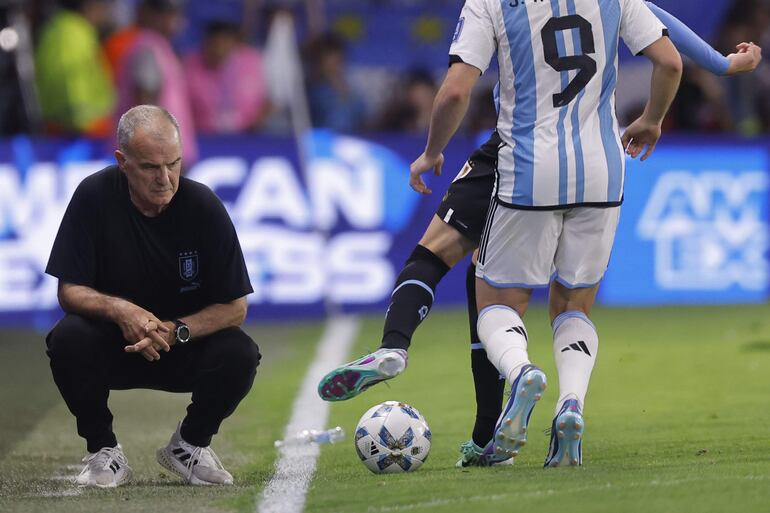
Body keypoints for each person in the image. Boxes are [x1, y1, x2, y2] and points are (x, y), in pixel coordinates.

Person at [318, 2, 762, 467]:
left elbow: (453, 94)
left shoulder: (490, 3)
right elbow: (669, 56)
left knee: (473, 281)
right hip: (602, 168)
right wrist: (711, 74)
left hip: (521, 159)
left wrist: (431, 152)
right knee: (572, 304)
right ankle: (564, 406)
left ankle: (425, 353)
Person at [44, 105, 259, 487]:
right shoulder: (93, 196)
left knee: (241, 353)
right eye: (150, 168)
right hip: (115, 346)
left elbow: (234, 308)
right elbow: (69, 290)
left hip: (181, 344)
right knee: (66, 339)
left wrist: (176, 329)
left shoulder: (204, 206)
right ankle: (102, 450)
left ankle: (189, 445)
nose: (165, 179)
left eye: (173, 164)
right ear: (122, 161)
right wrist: (121, 310)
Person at [114, 0, 198, 164]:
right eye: (164, 13)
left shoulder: (160, 46)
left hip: (166, 154)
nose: (172, 18)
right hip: (160, 157)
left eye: (174, 12)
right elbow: (144, 106)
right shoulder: (147, 48)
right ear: (148, 14)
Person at [34, 0, 115, 137]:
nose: (107, 13)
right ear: (89, 5)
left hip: (77, 132)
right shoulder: (71, 33)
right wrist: (80, 125)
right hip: (77, 135)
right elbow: (71, 85)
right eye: (104, 5)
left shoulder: (66, 29)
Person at [183, 20, 270, 134]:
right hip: (203, 135)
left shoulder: (252, 61)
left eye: (224, 43)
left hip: (247, 136)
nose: (219, 50)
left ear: (234, 44)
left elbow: (269, 101)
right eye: (214, 44)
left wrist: (257, 123)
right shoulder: (189, 66)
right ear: (205, 44)